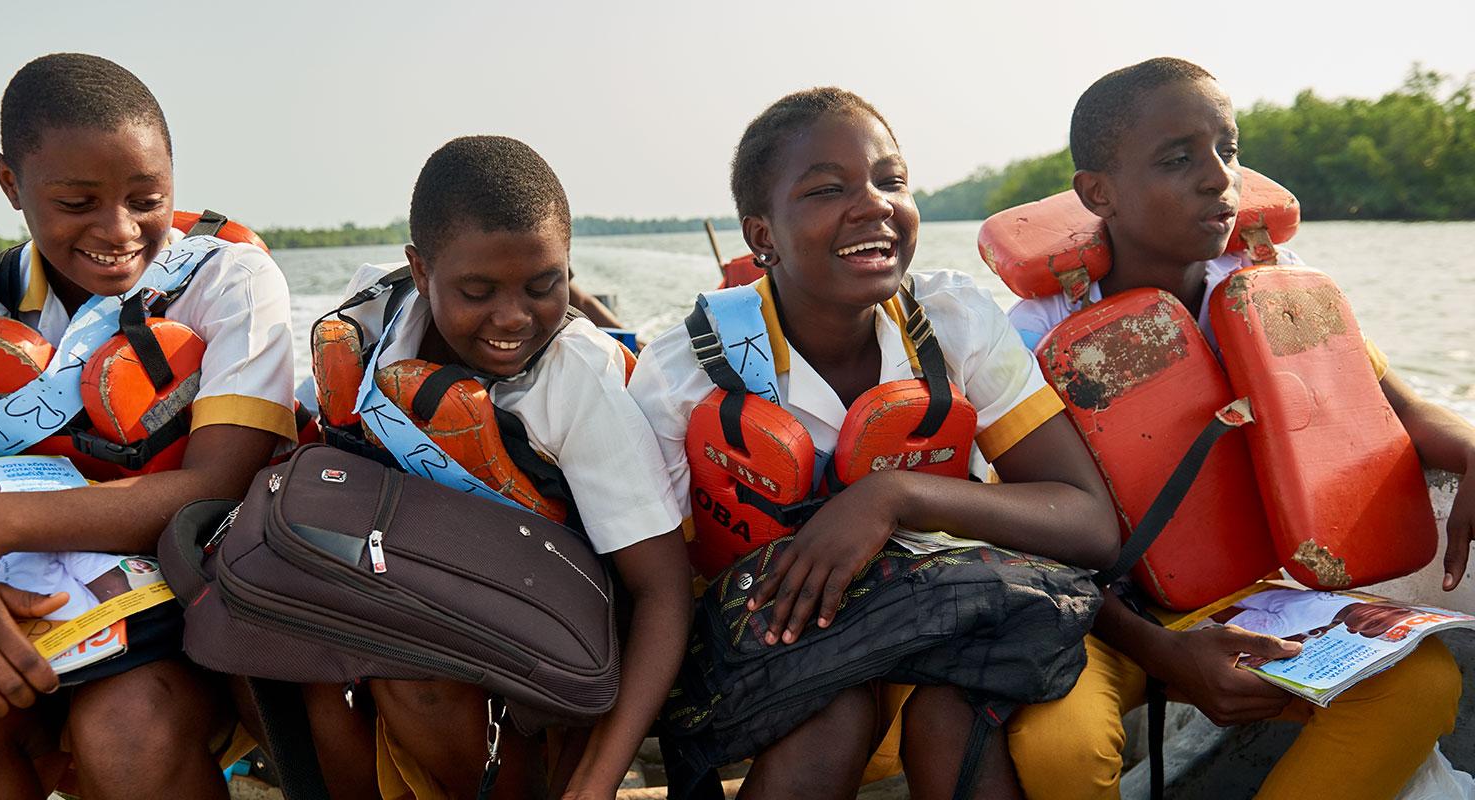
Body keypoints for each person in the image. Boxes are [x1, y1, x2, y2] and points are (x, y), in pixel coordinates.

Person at [628, 87, 1120, 799]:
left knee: (958, 715)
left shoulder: (952, 322)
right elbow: (652, 583)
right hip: (774, 660)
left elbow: (1089, 521)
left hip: (939, 625)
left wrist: (893, 497)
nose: (874, 205)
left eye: (891, 181)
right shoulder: (686, 374)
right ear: (761, 236)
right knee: (830, 713)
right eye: (828, 190)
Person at [1003, 57, 1469, 800]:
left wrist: (1472, 453)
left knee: (1417, 682)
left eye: (1229, 148)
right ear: (1098, 193)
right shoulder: (1032, 339)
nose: (1219, 177)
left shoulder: (1276, 288)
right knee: (1058, 746)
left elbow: (1405, 413)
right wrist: (1167, 656)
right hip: (1100, 621)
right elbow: (1030, 552)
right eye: (1178, 159)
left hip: (1252, 598)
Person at [0, 53, 296, 799]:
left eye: (147, 197)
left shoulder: (228, 278)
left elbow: (218, 482)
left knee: (128, 733)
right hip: (5, 601)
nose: (120, 229)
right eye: (77, 202)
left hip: (182, 595)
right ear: (10, 182)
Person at [309, 135, 690, 800]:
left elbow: (662, 592)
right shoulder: (372, 317)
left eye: (546, 285)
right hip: (409, 590)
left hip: (553, 647)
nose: (513, 317)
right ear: (420, 273)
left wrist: (597, 782)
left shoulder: (578, 384)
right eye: (478, 290)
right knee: (293, 652)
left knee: (418, 683)